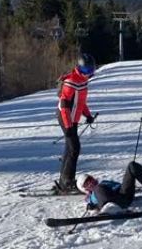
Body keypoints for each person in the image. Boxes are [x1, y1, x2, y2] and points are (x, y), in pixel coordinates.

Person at [54, 53, 97, 193]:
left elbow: (80, 102)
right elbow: (65, 105)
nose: (88, 74)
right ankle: (67, 182)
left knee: (70, 147)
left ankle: (63, 181)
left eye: (90, 71)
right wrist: (68, 126)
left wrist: (88, 115)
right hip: (65, 117)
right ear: (79, 68)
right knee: (74, 148)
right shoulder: (71, 81)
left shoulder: (82, 81)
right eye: (85, 71)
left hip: (73, 119)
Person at [76, 161, 142, 214]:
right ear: (85, 189)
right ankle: (110, 207)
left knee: (132, 166)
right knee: (98, 188)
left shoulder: (104, 182)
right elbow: (94, 205)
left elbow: (118, 186)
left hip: (124, 195)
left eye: (90, 179)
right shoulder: (91, 196)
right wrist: (93, 208)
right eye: (86, 183)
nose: (90, 182)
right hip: (115, 203)